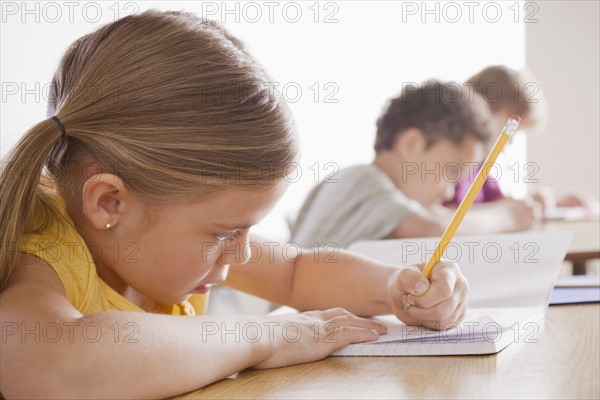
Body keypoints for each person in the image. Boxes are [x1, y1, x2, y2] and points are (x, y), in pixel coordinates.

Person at [0, 10, 468, 398]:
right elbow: (54, 365)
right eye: (224, 233)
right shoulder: (40, 251)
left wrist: (396, 289)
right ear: (108, 203)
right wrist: (268, 336)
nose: (243, 254)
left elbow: (296, 271)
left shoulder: (147, 235)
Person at [289, 80, 540, 249]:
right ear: (411, 144)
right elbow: (431, 228)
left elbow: (436, 217)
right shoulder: (363, 180)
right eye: (451, 172)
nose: (449, 192)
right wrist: (509, 216)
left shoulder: (359, 186)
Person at [446, 65, 588, 211]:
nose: (511, 140)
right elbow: (443, 214)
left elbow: (496, 203)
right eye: (513, 130)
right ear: (486, 109)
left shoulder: (481, 163)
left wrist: (549, 204)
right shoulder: (452, 155)